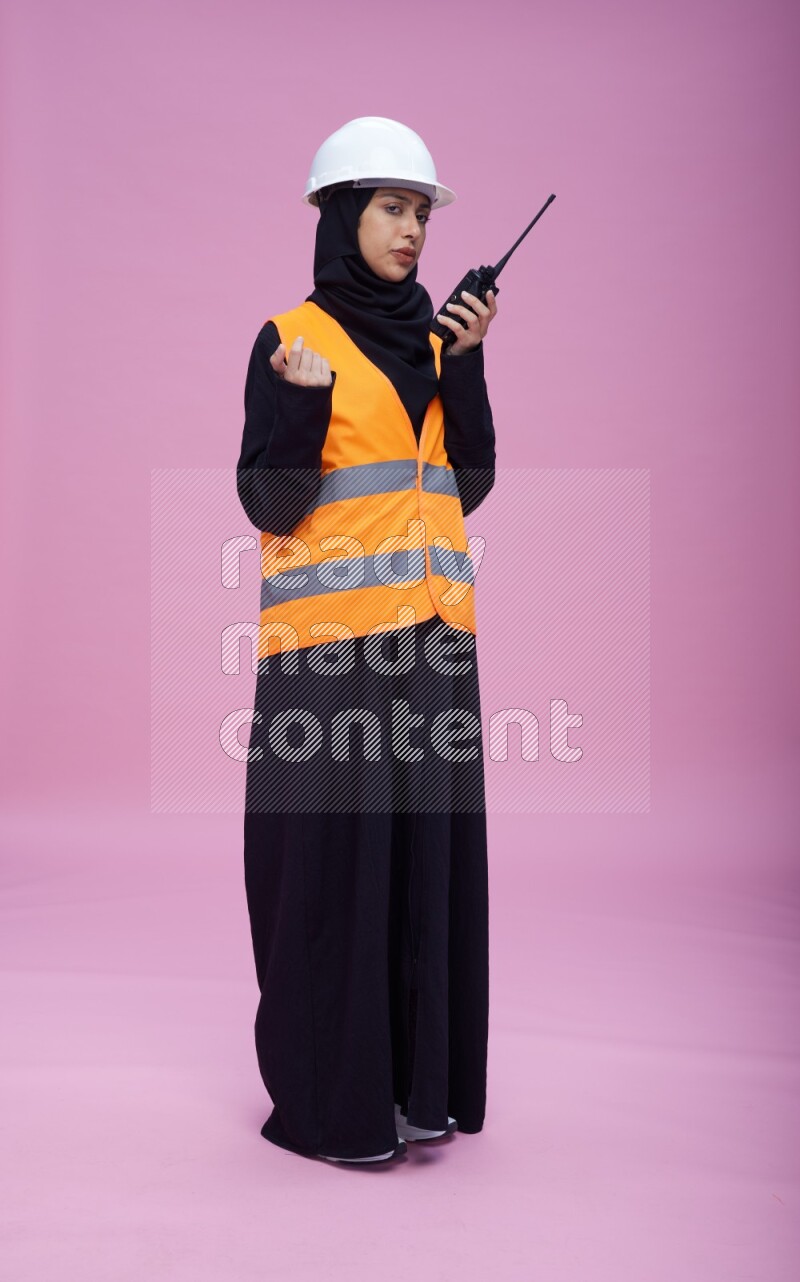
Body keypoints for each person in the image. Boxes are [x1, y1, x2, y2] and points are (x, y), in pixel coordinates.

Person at [236, 117, 498, 1165]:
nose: (411, 229)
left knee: (424, 873)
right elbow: (268, 498)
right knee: (331, 878)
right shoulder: (291, 337)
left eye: (421, 211)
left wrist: (468, 367)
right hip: (331, 656)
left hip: (434, 647)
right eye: (390, 206)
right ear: (341, 214)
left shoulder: (436, 343)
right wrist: (298, 406)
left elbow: (463, 486)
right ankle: (329, 1106)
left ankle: (413, 1094)